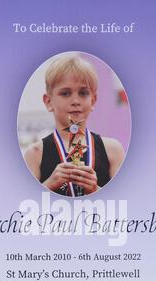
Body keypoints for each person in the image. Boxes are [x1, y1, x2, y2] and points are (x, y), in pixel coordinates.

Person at [24, 55, 125, 196]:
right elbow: (26, 207)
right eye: (65, 93)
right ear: (48, 102)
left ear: (93, 101)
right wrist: (48, 186)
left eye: (83, 93)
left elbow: (125, 206)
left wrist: (95, 190)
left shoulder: (113, 150)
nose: (75, 101)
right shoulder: (34, 154)